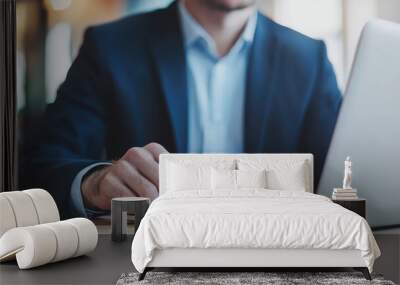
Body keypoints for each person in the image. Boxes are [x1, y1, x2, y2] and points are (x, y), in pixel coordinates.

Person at [26, 0, 341, 218]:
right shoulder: (110, 48)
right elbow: (42, 162)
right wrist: (93, 183)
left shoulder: (309, 60)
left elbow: (342, 179)